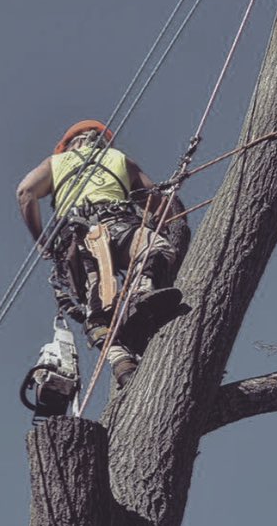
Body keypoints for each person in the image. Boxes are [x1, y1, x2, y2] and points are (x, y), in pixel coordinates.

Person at [16, 119, 184, 387]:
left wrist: (42, 240)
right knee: (156, 249)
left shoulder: (56, 163)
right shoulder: (118, 158)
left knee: (97, 305)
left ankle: (121, 361)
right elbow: (157, 202)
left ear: (69, 145)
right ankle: (141, 295)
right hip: (121, 225)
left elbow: (25, 192)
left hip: (79, 239)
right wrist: (166, 221)